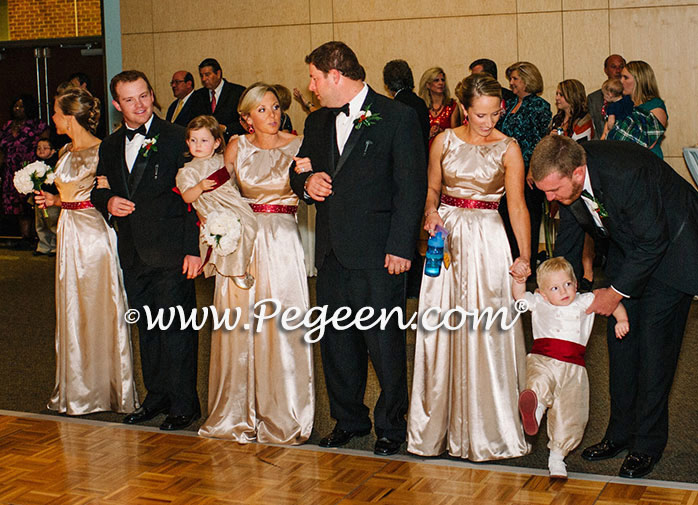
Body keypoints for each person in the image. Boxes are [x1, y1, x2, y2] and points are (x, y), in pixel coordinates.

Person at [531, 135, 698, 479]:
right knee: (621, 344)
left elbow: (655, 240)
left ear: (578, 173)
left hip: (674, 249)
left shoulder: (626, 173)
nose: (549, 198)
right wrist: (556, 287)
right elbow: (571, 240)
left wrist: (616, 291)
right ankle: (619, 434)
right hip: (631, 246)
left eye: (553, 190)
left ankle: (647, 445)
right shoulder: (565, 183)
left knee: (654, 349)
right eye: (544, 191)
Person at [289, 41, 426, 456]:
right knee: (336, 343)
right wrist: (307, 186)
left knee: (384, 344)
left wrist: (402, 246)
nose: (311, 87)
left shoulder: (398, 117)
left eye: (314, 78)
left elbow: (411, 187)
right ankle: (348, 419)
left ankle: (391, 426)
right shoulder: (315, 123)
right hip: (331, 252)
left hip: (379, 253)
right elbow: (299, 171)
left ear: (335, 75)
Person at [407, 73, 531, 461]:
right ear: (463, 108)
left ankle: (487, 430)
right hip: (446, 241)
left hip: (488, 241)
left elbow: (517, 206)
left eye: (495, 113)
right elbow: (431, 189)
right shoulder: (442, 141)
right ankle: (435, 429)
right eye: (481, 114)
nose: (489, 121)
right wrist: (430, 214)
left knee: (486, 328)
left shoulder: (508, 148)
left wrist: (523, 257)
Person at [199, 83, 314, 444]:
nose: (273, 115)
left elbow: (312, 190)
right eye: (262, 110)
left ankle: (285, 413)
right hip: (241, 241)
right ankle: (236, 413)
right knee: (239, 325)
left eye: (276, 107)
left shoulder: (299, 145)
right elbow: (217, 192)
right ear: (247, 118)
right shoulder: (237, 147)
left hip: (282, 241)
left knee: (281, 325)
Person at [91, 70, 202, 431]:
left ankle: (185, 405)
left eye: (144, 96)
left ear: (152, 94)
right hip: (133, 253)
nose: (139, 105)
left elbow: (194, 201)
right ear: (116, 104)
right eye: (129, 99)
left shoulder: (175, 138)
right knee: (148, 330)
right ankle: (156, 398)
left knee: (177, 331)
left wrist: (193, 250)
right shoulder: (108, 146)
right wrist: (108, 201)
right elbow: (98, 188)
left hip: (173, 252)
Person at [34, 87, 138, 415]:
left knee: (98, 306)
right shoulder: (64, 149)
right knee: (72, 307)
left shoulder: (101, 150)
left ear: (68, 116)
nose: (52, 118)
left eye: (55, 112)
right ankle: (77, 387)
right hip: (68, 231)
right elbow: (70, 192)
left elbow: (104, 193)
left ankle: (107, 387)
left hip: (93, 234)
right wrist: (53, 200)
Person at [512, 257, 629, 478]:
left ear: (576, 283)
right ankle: (533, 412)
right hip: (543, 359)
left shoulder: (585, 301)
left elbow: (612, 301)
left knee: (570, 414)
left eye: (568, 284)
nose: (564, 291)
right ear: (543, 293)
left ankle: (557, 458)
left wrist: (621, 319)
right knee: (538, 383)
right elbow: (519, 296)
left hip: (574, 369)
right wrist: (519, 279)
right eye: (555, 288)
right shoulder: (539, 303)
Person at [175, 115, 257, 287]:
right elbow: (187, 197)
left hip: (231, 200)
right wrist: (200, 187)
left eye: (204, 140)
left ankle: (246, 264)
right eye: (193, 140)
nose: (198, 145)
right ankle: (236, 271)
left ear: (217, 143)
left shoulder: (221, 160)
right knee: (227, 231)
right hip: (211, 206)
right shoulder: (187, 171)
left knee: (249, 223)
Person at [498, 61, 552, 274]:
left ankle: (526, 263)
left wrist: (533, 169)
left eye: (515, 79)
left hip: (530, 168)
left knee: (528, 215)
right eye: (510, 79)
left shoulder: (540, 105)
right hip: (508, 169)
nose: (511, 83)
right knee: (506, 214)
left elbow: (542, 140)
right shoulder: (511, 104)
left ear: (528, 80)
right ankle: (510, 260)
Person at [382, 59, 430, 298]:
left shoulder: (396, 107)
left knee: (405, 229)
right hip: (422, 167)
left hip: (405, 172)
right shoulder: (419, 103)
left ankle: (409, 283)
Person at [549, 79, 595, 291]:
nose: (557, 97)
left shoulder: (583, 121)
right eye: (557, 93)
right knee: (566, 232)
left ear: (572, 95)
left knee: (570, 235)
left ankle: (566, 280)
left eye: (561, 94)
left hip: (574, 183)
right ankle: (564, 280)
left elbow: (578, 152)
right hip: (556, 180)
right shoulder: (557, 119)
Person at [0, 94, 48, 249]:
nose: (17, 109)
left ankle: (38, 238)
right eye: (15, 106)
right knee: (16, 206)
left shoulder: (37, 125)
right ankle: (24, 237)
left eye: (21, 106)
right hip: (10, 171)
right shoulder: (7, 125)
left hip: (30, 170)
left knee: (30, 204)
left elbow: (46, 145)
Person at [609, 60, 667, 159]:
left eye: (625, 78)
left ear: (639, 80)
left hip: (647, 163)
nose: (621, 81)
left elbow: (643, 141)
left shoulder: (655, 106)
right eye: (621, 77)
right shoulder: (622, 105)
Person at [190, 58, 246, 138]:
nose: (203, 79)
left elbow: (246, 122)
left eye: (207, 75)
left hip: (231, 142)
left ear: (218, 74)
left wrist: (226, 129)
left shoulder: (238, 92)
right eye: (201, 76)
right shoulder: (197, 96)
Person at [418, 67, 460, 147]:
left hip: (446, 151)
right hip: (426, 151)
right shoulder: (421, 106)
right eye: (436, 80)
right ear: (428, 85)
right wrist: (428, 134)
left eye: (443, 80)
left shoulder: (452, 105)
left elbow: (456, 135)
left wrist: (442, 132)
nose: (441, 83)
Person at [587, 54, 625, 140]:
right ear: (605, 70)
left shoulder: (630, 96)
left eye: (621, 67)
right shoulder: (593, 98)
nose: (618, 70)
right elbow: (592, 128)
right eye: (613, 67)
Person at [33, 138, 59, 256]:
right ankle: (43, 245)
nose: (41, 150)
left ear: (53, 150)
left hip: (52, 197)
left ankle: (55, 246)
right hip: (39, 198)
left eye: (45, 148)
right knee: (40, 223)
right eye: (38, 148)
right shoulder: (34, 164)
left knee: (52, 222)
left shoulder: (57, 164)